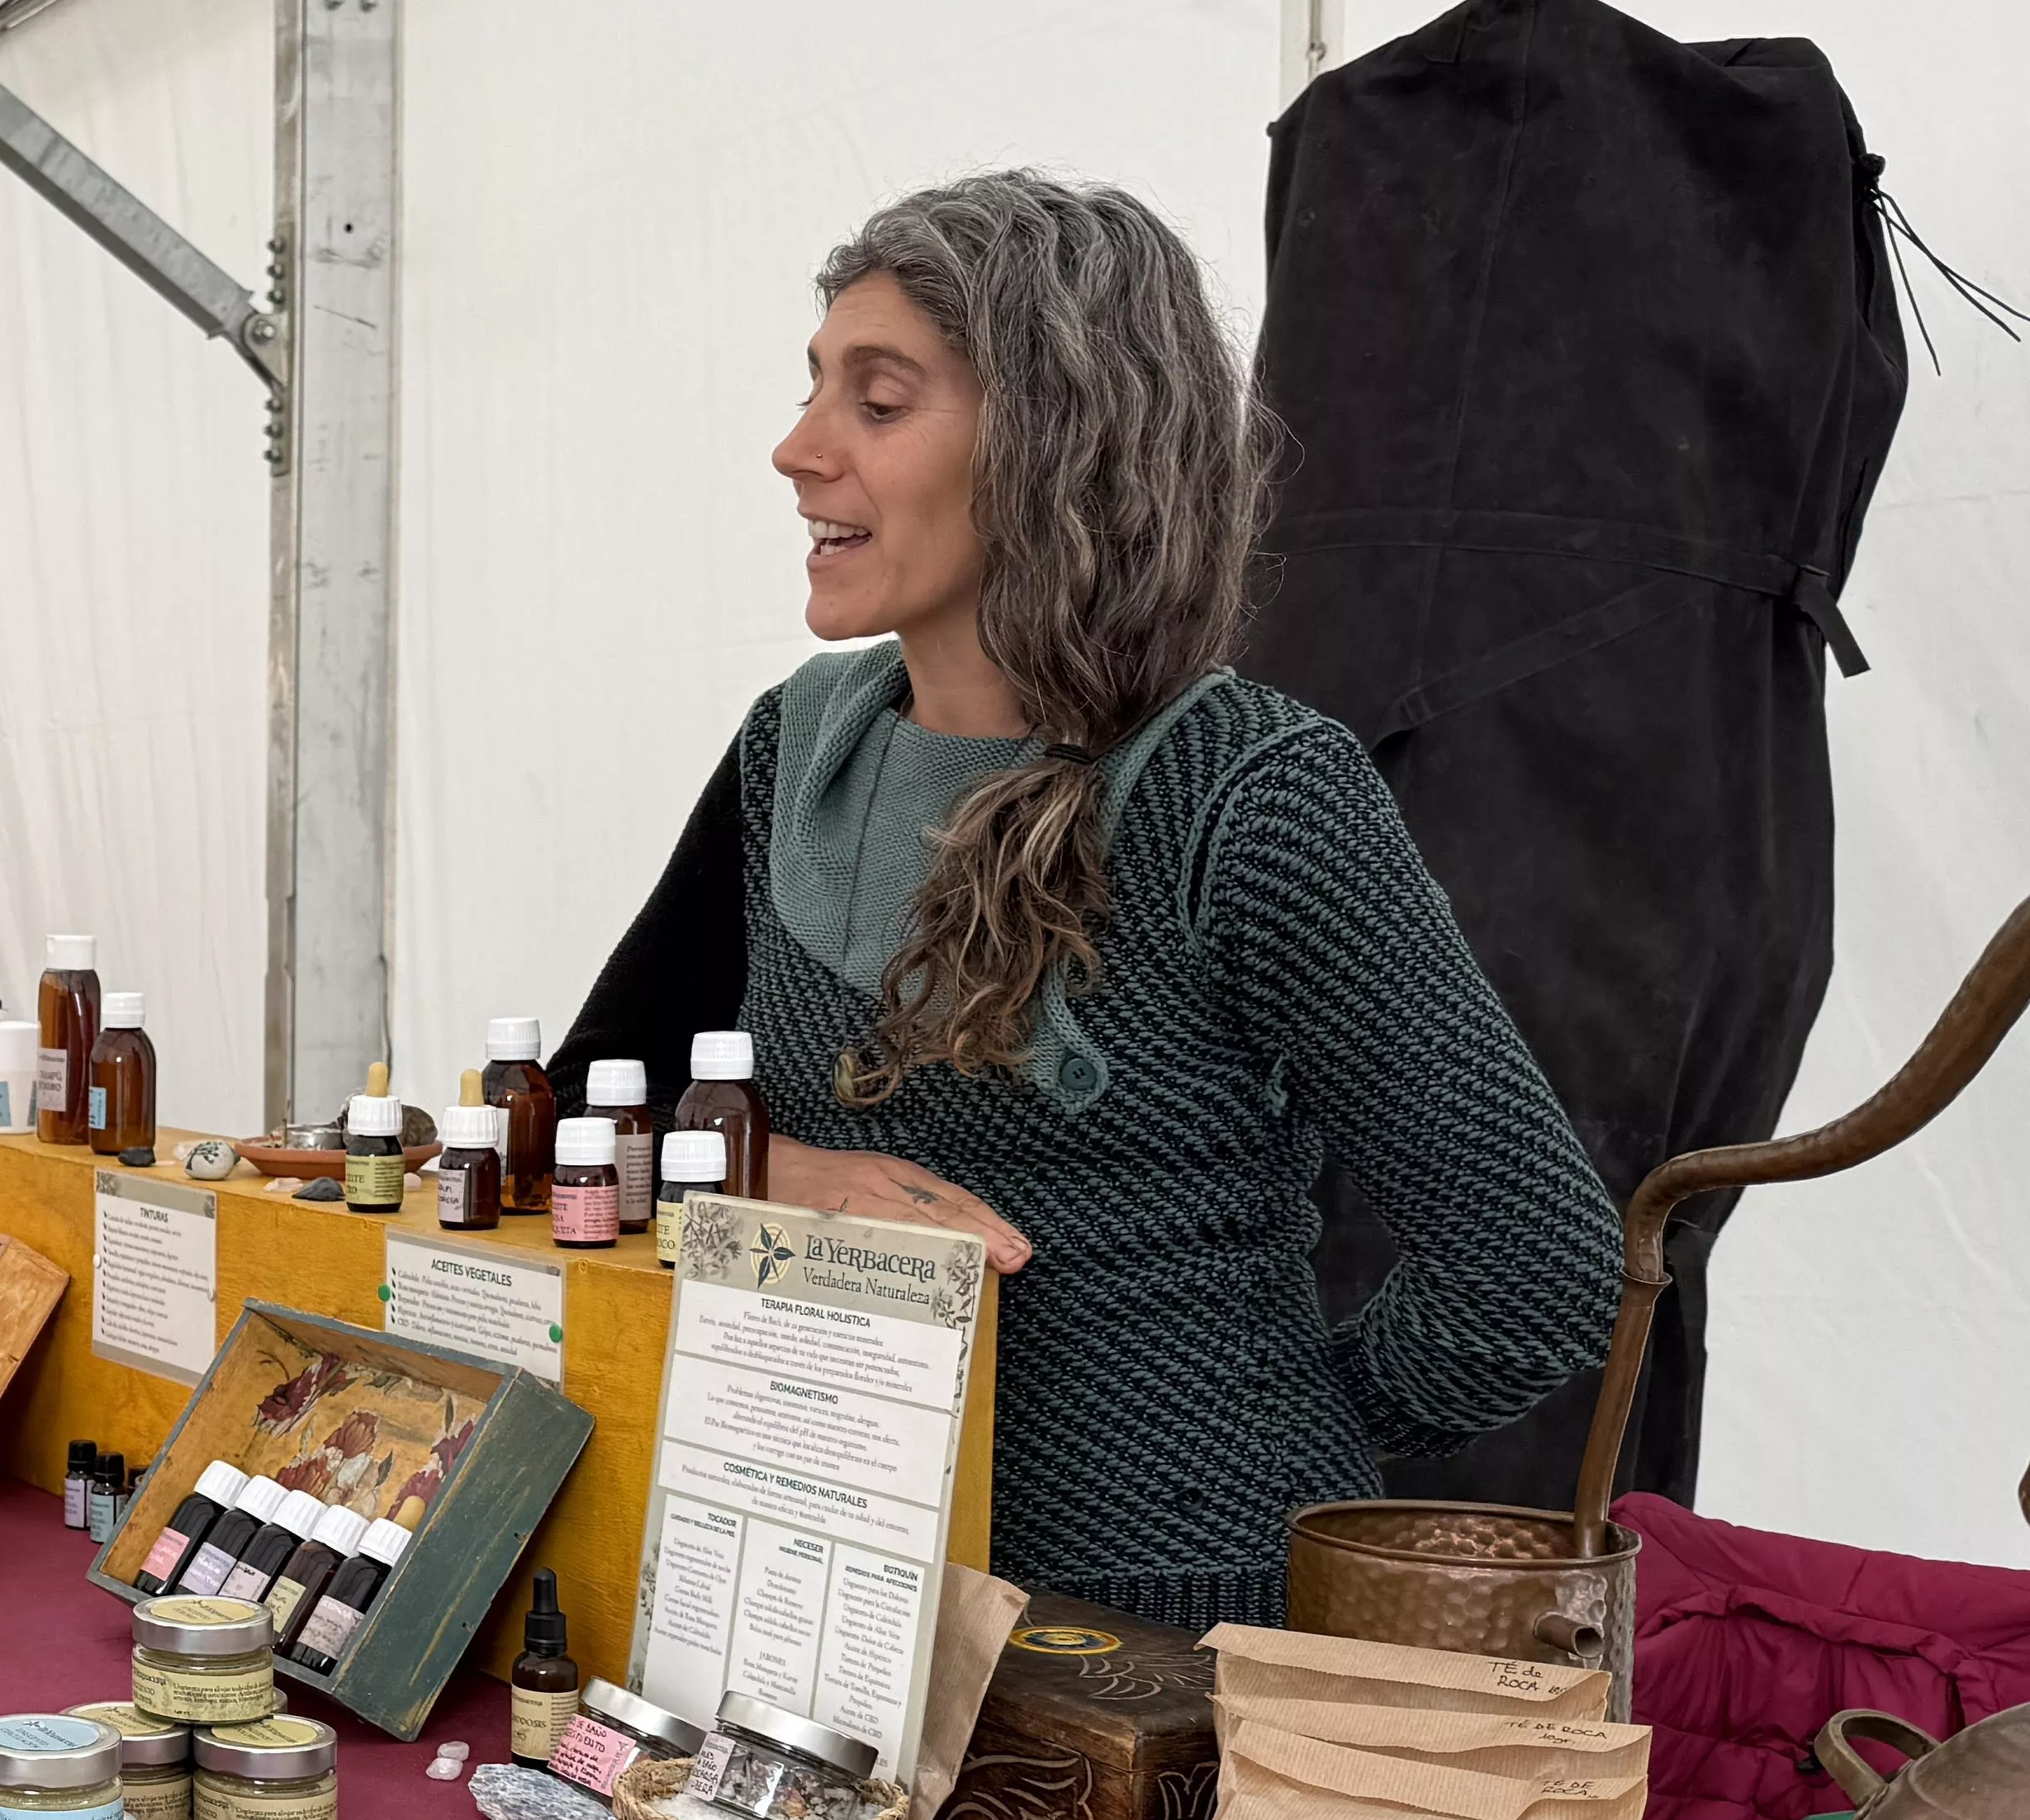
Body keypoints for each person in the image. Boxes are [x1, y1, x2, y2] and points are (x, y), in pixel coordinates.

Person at [558, 172, 1613, 1628]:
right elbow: (578, 1105)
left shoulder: (1250, 794)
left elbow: (1535, 1263)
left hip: (1153, 1628)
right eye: (815, 388)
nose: (797, 450)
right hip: (813, 1583)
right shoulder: (789, 750)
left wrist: (1244, 1426)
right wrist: (762, 1168)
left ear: (1054, 442)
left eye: (878, 401)